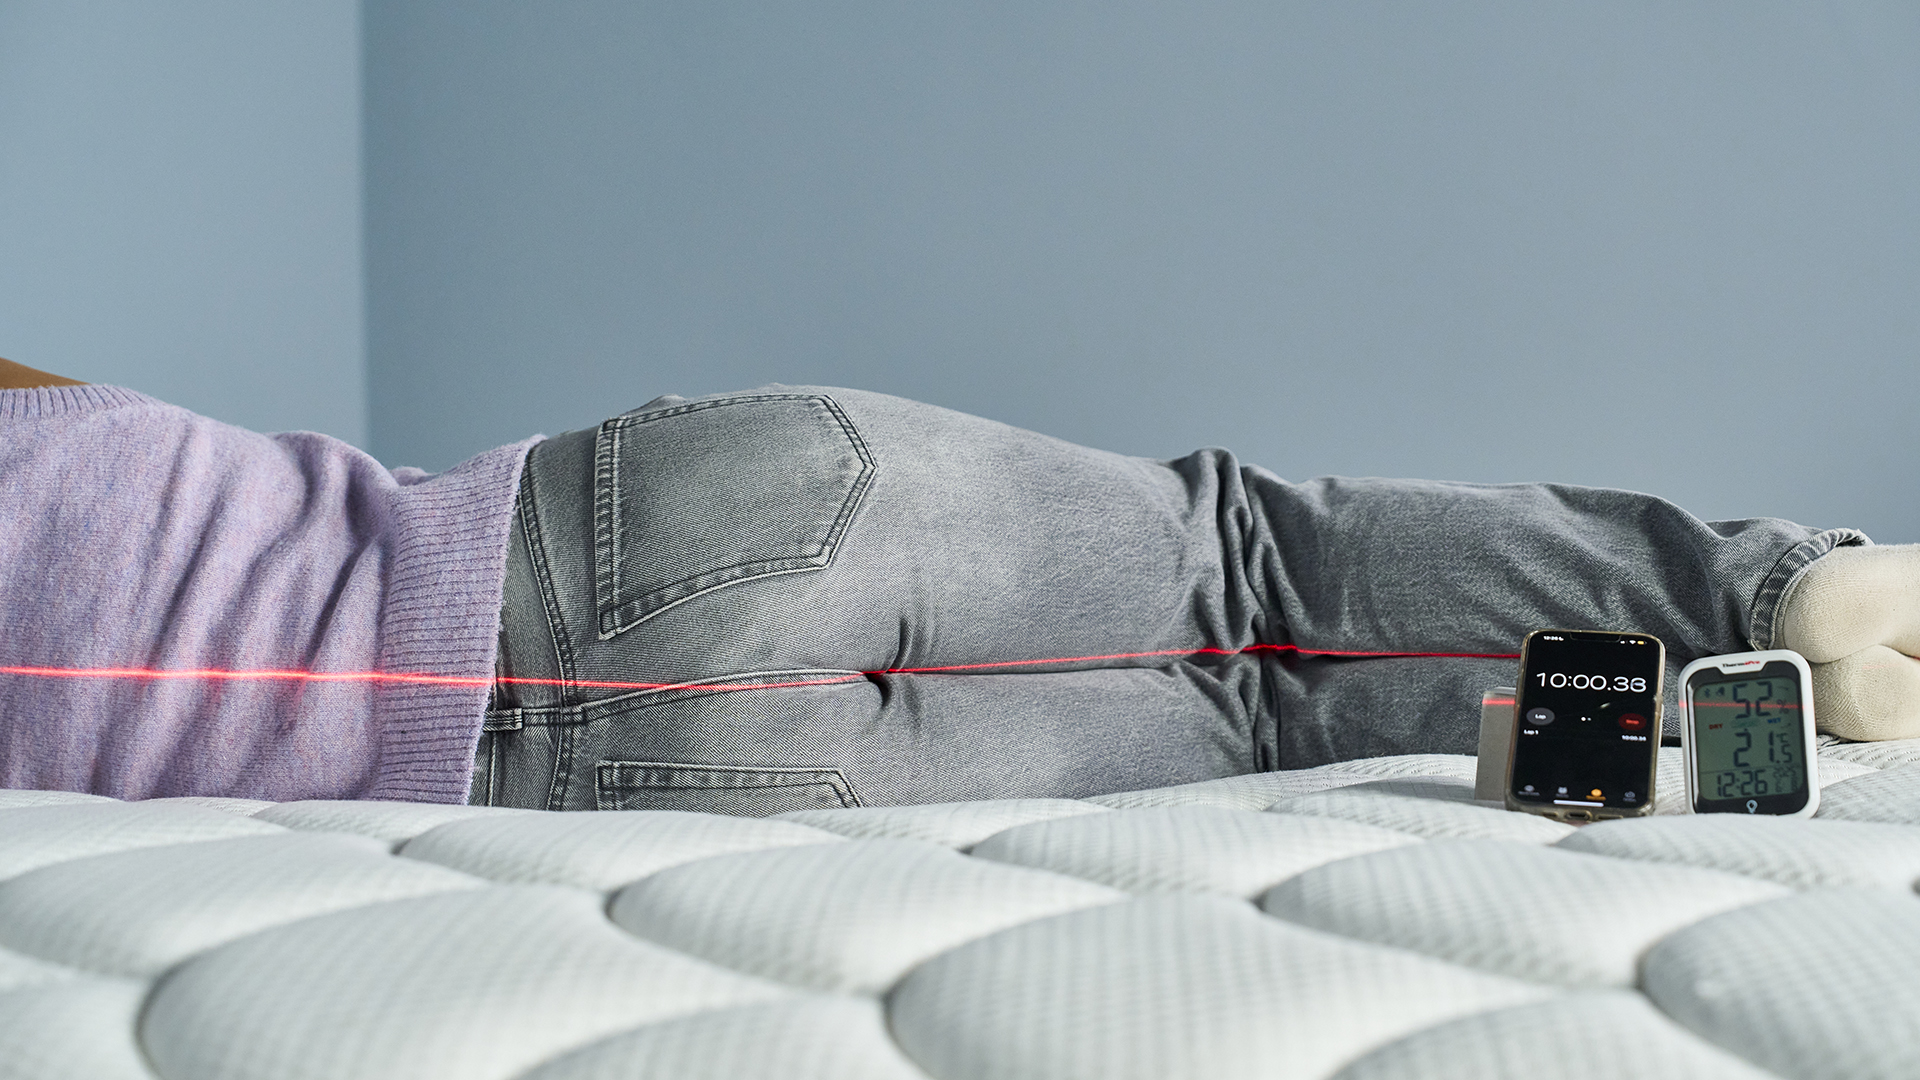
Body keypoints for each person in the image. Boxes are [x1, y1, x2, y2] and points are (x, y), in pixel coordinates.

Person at [2, 357, 1915, 813]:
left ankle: (1721, 710)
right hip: (620, 522)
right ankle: (1792, 598)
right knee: (1253, 566)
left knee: (1257, 711)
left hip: (554, 782)